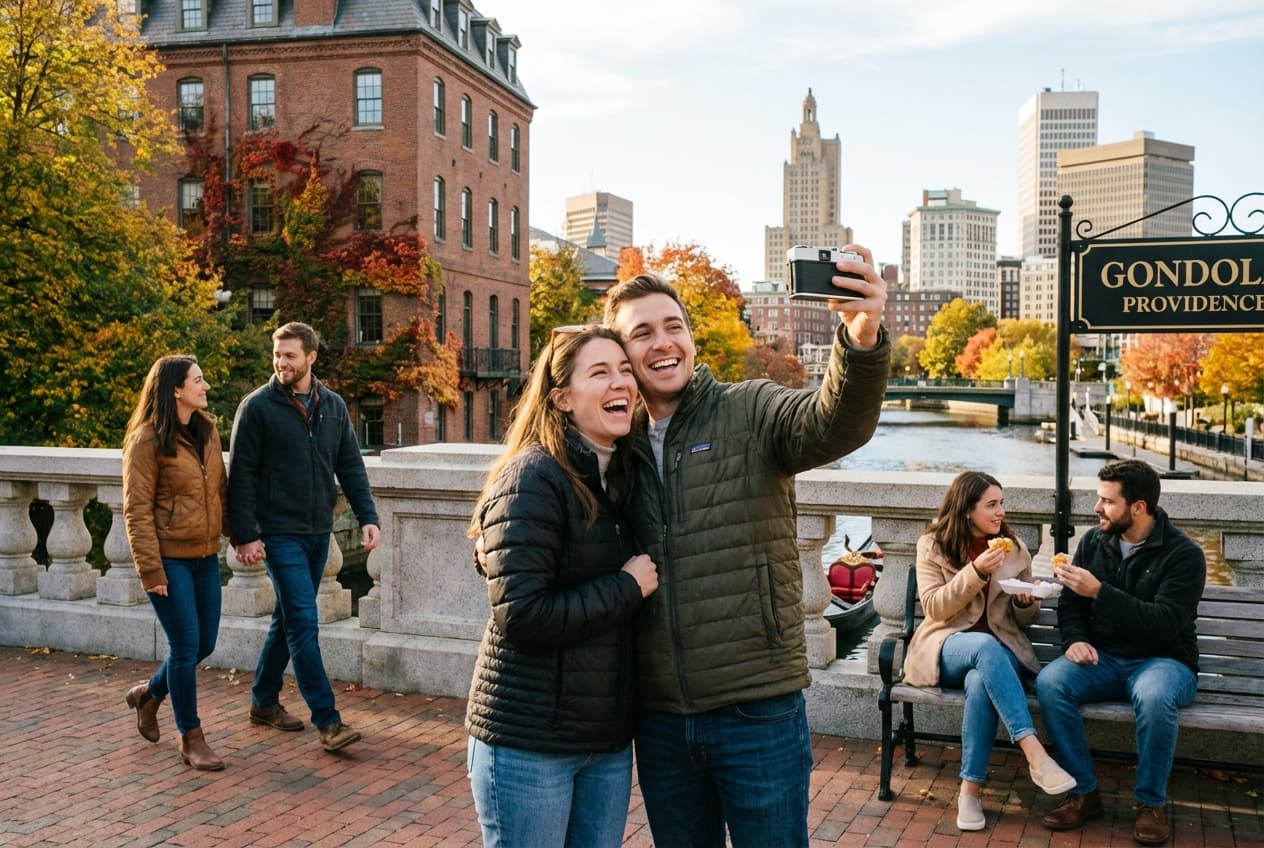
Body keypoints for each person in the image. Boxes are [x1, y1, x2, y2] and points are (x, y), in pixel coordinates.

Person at [602, 245, 890, 847]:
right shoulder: (611, 443)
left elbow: (834, 422)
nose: (662, 343)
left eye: (673, 327)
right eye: (642, 333)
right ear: (621, 354)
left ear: (692, 339)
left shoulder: (751, 409)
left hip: (757, 708)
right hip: (658, 717)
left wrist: (860, 339)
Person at [465, 325, 659, 847]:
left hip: (607, 741)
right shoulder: (535, 475)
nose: (620, 381)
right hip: (529, 741)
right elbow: (523, 615)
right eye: (599, 372)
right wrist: (625, 587)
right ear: (563, 399)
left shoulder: (624, 474)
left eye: (624, 370)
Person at [1036, 459, 1205, 846]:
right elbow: (1070, 605)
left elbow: (1166, 622)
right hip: (1103, 658)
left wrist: (1100, 592)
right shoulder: (1095, 541)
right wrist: (1074, 640)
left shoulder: (1184, 555)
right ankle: (1084, 792)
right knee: (1051, 682)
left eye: (1107, 501)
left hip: (1164, 660)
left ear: (1138, 507)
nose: (1097, 508)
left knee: (1154, 694)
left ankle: (1151, 804)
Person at [228, 321, 380, 753]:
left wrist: (367, 515)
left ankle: (262, 701)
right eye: (277, 355)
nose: (281, 363)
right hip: (279, 535)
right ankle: (328, 721)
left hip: (318, 530)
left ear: (311, 357)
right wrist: (245, 535)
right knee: (303, 623)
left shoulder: (332, 406)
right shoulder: (256, 407)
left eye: (290, 356)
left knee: (288, 619)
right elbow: (240, 477)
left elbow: (350, 465)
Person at [904, 472, 1075, 832]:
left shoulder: (1013, 548)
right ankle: (1034, 753)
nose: (1001, 512)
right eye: (991, 505)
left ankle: (969, 791)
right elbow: (935, 608)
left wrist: (1027, 602)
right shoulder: (933, 544)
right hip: (947, 645)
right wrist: (975, 572)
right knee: (982, 646)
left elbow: (1024, 621)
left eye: (1002, 503)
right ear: (967, 510)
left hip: (1003, 651)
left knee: (982, 680)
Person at [121, 355, 229, 771]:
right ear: (175, 390)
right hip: (169, 560)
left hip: (206, 557)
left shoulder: (207, 430)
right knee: (184, 646)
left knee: (204, 644)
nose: (205, 387)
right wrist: (151, 570)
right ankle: (191, 737)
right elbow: (136, 509)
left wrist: (241, 536)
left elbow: (219, 489)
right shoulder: (147, 439)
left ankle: (149, 694)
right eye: (198, 381)